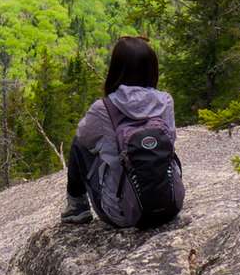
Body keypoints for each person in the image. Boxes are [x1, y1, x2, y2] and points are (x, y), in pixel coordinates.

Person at [62, 36, 185, 228]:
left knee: (78, 145)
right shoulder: (165, 101)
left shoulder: (103, 108)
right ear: (152, 68)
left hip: (121, 212)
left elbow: (84, 137)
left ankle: (77, 207)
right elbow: (170, 139)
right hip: (171, 204)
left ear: (116, 70)